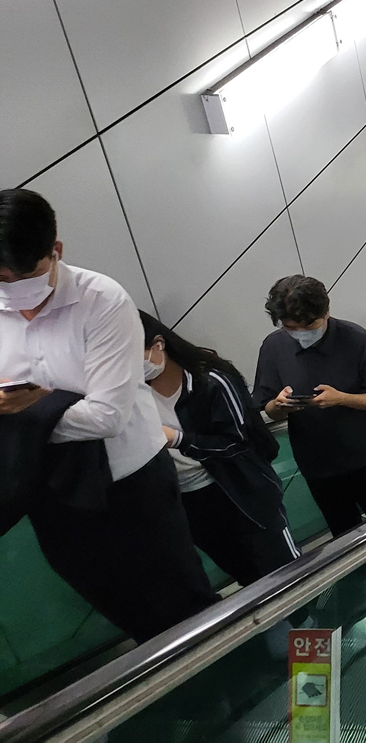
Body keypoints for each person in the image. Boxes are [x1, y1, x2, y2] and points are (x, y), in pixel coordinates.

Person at [0, 189, 217, 642]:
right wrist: (35, 411)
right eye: (2, 278)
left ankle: (227, 671)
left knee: (180, 602)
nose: (14, 288)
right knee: (114, 602)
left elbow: (106, 417)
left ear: (56, 250)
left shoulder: (102, 300)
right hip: (50, 491)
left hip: (130, 485)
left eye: (26, 274)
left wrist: (28, 414)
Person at [142, 312, 299, 588]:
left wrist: (179, 440)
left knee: (285, 573)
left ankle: (309, 615)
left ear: (158, 345)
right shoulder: (133, 392)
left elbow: (238, 442)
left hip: (240, 490)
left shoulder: (210, 381)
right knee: (247, 578)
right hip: (187, 500)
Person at [254, 275, 366, 538]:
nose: (301, 334)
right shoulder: (274, 346)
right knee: (343, 534)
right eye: (291, 327)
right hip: (317, 463)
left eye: (309, 325)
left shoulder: (358, 341)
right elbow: (267, 407)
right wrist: (280, 404)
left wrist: (341, 398)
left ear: (326, 311)